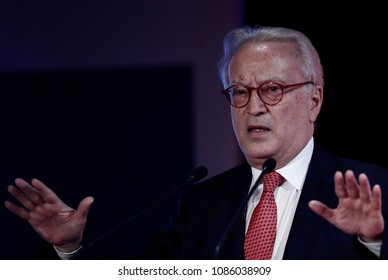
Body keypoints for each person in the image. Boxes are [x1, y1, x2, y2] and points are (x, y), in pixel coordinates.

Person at [4, 25, 388, 260]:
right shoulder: (204, 204)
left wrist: (373, 245)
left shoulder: (374, 191)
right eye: (239, 91)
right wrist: (70, 248)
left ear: (315, 100)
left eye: (272, 89)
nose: (253, 107)